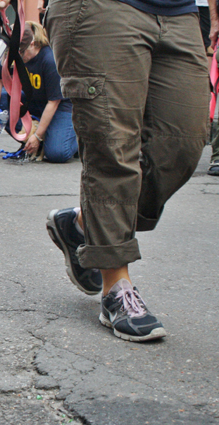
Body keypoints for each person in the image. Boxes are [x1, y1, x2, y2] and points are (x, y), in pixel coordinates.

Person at [45, 0, 211, 341]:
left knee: (183, 144)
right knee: (112, 147)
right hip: (100, 8)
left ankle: (81, 224)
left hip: (180, 12)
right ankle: (115, 287)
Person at [0, 21, 77, 164]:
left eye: (21, 52)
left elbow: (53, 102)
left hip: (60, 108)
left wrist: (38, 136)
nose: (18, 57)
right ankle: (30, 139)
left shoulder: (50, 60)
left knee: (57, 154)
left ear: (33, 44)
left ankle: (74, 137)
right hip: (34, 103)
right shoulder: (16, 56)